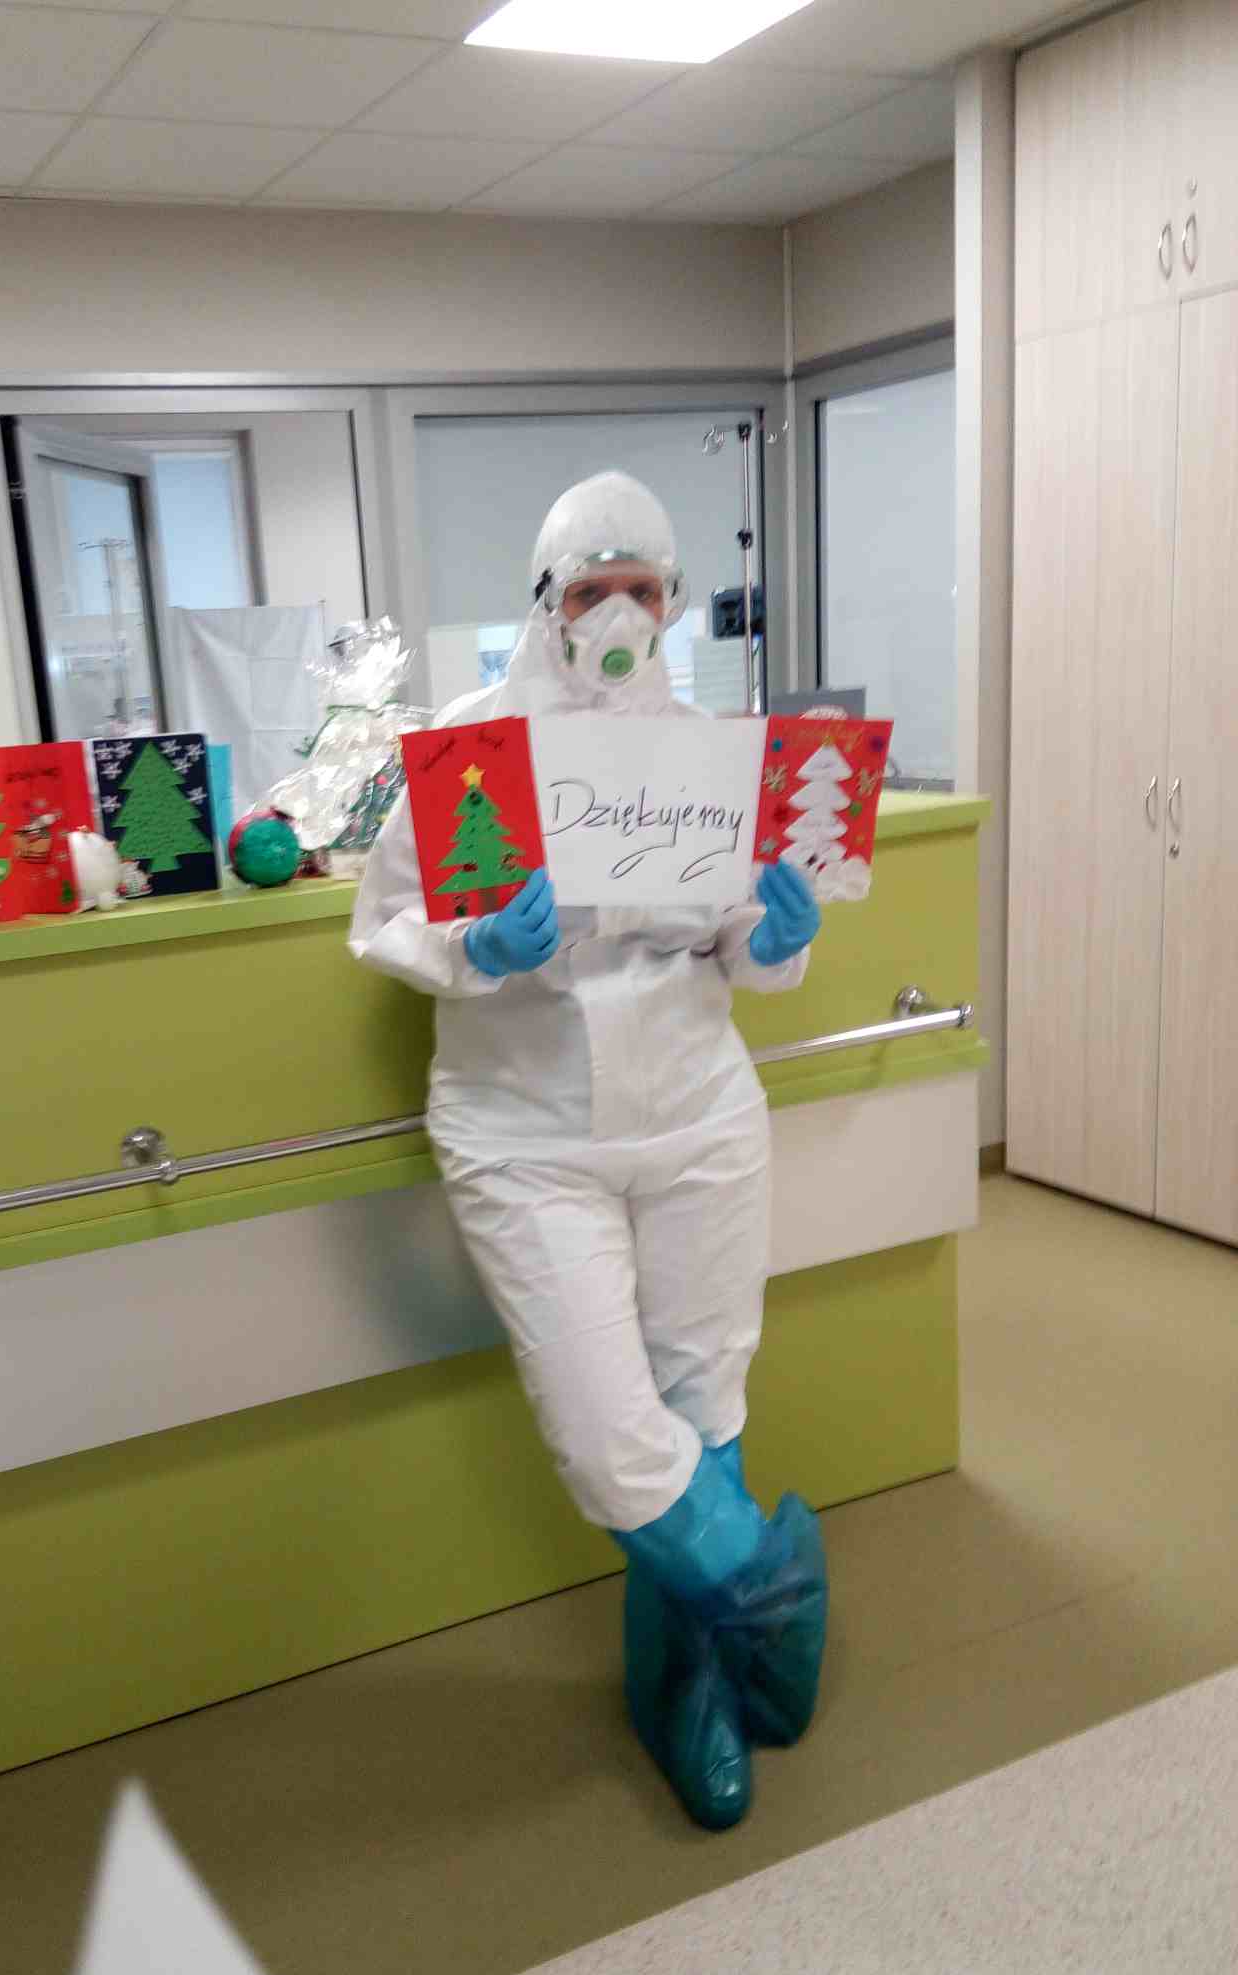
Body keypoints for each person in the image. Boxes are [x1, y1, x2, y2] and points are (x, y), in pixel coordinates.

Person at [350, 472, 828, 1831]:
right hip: (526, 1133)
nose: (618, 614)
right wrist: (477, 945)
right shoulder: (467, 747)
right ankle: (772, 1593)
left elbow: (740, 951)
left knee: (704, 1409)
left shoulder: (708, 751)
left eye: (643, 589)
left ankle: (690, 1697)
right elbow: (382, 924)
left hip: (699, 1115)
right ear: (544, 602)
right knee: (614, 1445)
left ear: (672, 601)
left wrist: (777, 937)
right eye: (589, 590)